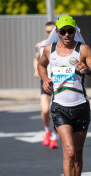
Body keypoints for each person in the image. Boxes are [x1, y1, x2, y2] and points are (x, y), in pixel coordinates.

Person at [37, 15, 91, 176]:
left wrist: (88, 72)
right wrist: (45, 79)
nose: (67, 35)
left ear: (75, 31)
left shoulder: (83, 50)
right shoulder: (49, 50)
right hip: (59, 108)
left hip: (80, 107)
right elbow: (41, 65)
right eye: (63, 31)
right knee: (68, 152)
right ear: (56, 32)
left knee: (77, 155)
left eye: (70, 31)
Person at [33, 21, 58, 149]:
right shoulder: (41, 45)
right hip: (45, 80)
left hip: (58, 81)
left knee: (55, 111)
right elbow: (36, 59)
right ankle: (47, 130)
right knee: (45, 110)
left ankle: (54, 136)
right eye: (48, 31)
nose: (50, 34)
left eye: (52, 31)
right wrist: (36, 71)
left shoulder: (60, 44)